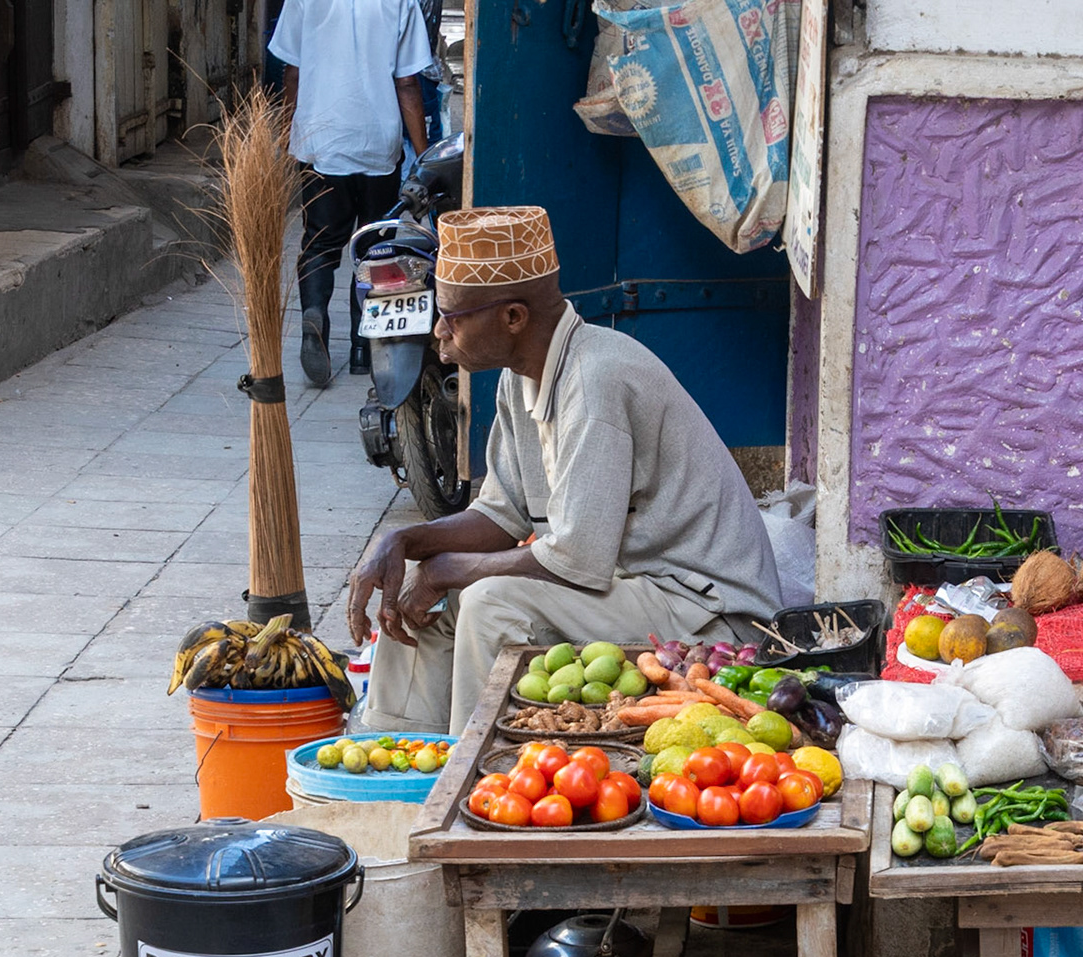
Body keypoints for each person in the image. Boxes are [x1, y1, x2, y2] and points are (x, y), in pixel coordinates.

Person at [349, 207, 783, 735]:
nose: (438, 332)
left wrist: (445, 569)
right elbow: (501, 514)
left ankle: (471, 784)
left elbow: (575, 558)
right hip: (634, 585)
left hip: (706, 609)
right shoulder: (519, 376)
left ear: (513, 317)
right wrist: (405, 543)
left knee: (487, 603)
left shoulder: (597, 379)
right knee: (426, 602)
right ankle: (392, 756)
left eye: (453, 316)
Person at [269, 0, 436, 389]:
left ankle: (315, 313)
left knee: (320, 243)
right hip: (378, 142)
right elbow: (408, 82)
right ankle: (364, 345)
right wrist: (423, 154)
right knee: (377, 245)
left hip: (321, 141)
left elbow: (291, 74)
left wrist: (284, 138)